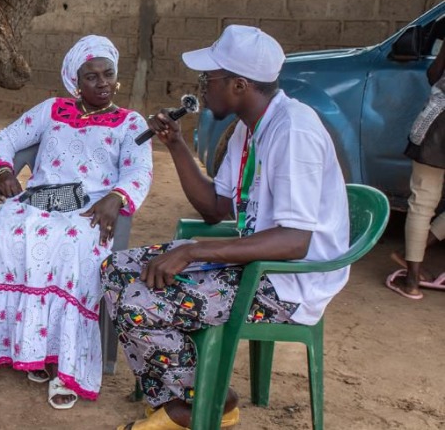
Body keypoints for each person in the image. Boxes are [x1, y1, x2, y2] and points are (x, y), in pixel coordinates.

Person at [102, 25, 349, 429]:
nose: (201, 89)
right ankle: (198, 397)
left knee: (138, 301)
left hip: (287, 282)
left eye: (208, 80)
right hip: (256, 261)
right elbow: (216, 207)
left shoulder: (294, 132)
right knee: (116, 270)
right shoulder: (247, 130)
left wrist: (193, 250)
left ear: (238, 84)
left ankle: (196, 407)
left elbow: (294, 241)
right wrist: (177, 146)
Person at [0, 35, 153, 410]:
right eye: (91, 76)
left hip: (90, 209)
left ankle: (63, 366)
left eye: (108, 74)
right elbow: (6, 137)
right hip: (39, 201)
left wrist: (115, 198)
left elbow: (139, 170)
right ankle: (28, 350)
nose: (102, 83)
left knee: (71, 250)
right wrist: (4, 170)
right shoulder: (53, 109)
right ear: (75, 81)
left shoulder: (130, 122)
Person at [387, 44, 445, 299]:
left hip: (436, 121)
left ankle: (411, 281)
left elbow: (434, 72)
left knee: (422, 201)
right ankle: (416, 252)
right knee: (423, 202)